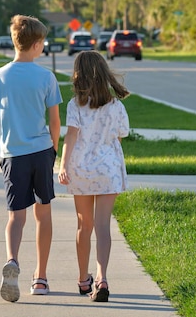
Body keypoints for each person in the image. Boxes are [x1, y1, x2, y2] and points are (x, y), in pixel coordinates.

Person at [0, 14, 62, 302]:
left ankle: (12, 261)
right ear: (37, 44)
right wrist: (53, 150)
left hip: (13, 155)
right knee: (43, 214)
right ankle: (40, 278)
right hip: (41, 153)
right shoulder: (46, 77)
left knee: (16, 216)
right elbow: (55, 122)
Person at [57, 50, 130, 302]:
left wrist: (63, 165)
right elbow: (120, 135)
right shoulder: (116, 105)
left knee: (83, 226)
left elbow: (71, 136)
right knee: (103, 227)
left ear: (79, 75)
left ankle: (82, 279)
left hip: (81, 170)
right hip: (108, 171)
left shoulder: (74, 105)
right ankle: (102, 277)